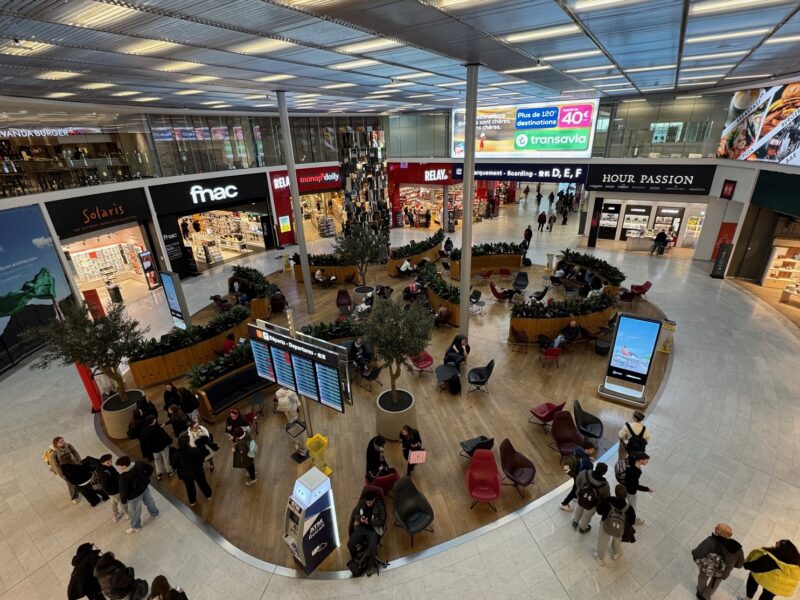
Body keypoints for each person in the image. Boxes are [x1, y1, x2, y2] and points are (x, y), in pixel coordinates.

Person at [692, 523, 744, 599]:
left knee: (702, 578)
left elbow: (697, 554)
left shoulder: (709, 542)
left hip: (707, 568)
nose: (715, 527)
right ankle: (706, 595)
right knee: (715, 583)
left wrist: (693, 552)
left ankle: (700, 592)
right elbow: (739, 565)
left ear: (721, 533)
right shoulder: (737, 549)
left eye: (717, 528)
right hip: (722, 572)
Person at [116, 456, 160, 534]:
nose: (119, 468)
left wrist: (124, 501)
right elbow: (151, 468)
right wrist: (145, 478)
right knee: (150, 502)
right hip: (144, 488)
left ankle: (135, 526)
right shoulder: (139, 464)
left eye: (119, 467)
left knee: (134, 511)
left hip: (133, 496)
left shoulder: (123, 477)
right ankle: (155, 514)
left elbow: (123, 491)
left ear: (124, 466)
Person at [595, 484, 636, 565]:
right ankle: (616, 554)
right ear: (626, 495)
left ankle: (600, 559)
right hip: (619, 528)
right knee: (617, 541)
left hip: (605, 526)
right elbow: (632, 521)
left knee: (602, 542)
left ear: (616, 493)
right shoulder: (629, 508)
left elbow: (599, 511)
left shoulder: (608, 500)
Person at [172, 434, 213, 507]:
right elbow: (202, 459)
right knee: (203, 484)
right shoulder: (195, 451)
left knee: (189, 487)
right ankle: (208, 495)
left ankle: (192, 501)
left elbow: (174, 466)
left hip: (185, 474)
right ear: (188, 443)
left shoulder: (176, 454)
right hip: (197, 471)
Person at [572, 462, 610, 534]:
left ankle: (575, 522)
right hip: (592, 504)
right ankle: (582, 529)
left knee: (579, 508)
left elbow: (577, 482)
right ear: (604, 473)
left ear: (595, 467)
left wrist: (579, 490)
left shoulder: (584, 473)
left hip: (581, 497)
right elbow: (607, 497)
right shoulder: (605, 484)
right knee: (587, 516)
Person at [560, 440, 596, 511]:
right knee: (575, 489)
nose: (593, 451)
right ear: (586, 449)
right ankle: (564, 503)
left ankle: (576, 497)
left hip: (574, 472)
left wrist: (588, 457)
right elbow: (589, 473)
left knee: (576, 488)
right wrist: (589, 462)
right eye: (591, 449)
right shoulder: (587, 463)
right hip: (578, 476)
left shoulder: (578, 449)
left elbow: (581, 457)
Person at [46, 436, 82, 503]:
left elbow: (75, 453)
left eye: (63, 440)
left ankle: (80, 489)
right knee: (71, 483)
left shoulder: (68, 445)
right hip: (66, 471)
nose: (63, 442)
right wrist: (62, 475)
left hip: (75, 465)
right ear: (56, 444)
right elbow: (56, 466)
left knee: (79, 478)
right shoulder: (54, 453)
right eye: (60, 442)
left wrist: (79, 461)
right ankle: (74, 497)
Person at [139, 415, 174, 480]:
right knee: (166, 459)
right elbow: (165, 437)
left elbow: (143, 443)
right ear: (153, 421)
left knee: (157, 460)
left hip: (153, 449)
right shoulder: (158, 429)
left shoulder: (144, 431)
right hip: (163, 447)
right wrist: (170, 441)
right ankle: (170, 471)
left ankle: (159, 472)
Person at [623, 452, 652, 524]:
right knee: (633, 507)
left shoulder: (633, 464)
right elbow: (635, 486)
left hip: (626, 487)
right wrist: (647, 489)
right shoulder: (635, 471)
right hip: (631, 492)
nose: (647, 462)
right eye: (646, 460)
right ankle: (634, 519)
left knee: (631, 505)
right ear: (641, 460)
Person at [97, 454, 127, 523]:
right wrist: (116, 489)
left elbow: (116, 474)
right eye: (108, 462)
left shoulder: (108, 467)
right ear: (102, 463)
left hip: (112, 492)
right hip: (114, 491)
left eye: (110, 461)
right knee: (123, 502)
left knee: (113, 503)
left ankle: (115, 516)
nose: (110, 463)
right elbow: (105, 487)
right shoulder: (104, 474)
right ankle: (127, 513)